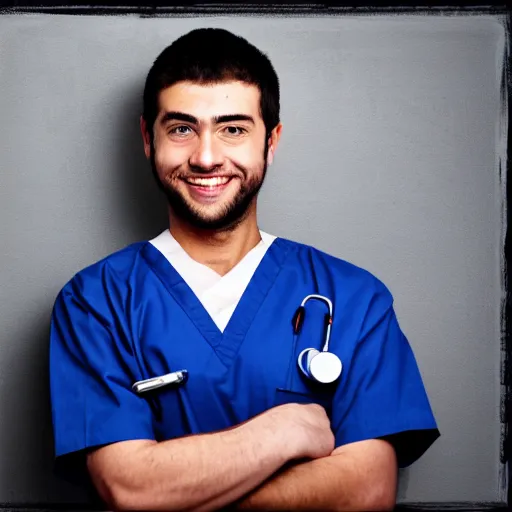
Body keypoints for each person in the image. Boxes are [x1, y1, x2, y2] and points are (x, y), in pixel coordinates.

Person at [49, 27, 440, 511]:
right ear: (149, 140)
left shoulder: (355, 298)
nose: (207, 157)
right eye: (181, 128)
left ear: (271, 141)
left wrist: (180, 491)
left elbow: (365, 491)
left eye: (233, 129)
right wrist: (283, 431)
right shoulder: (96, 301)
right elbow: (129, 488)